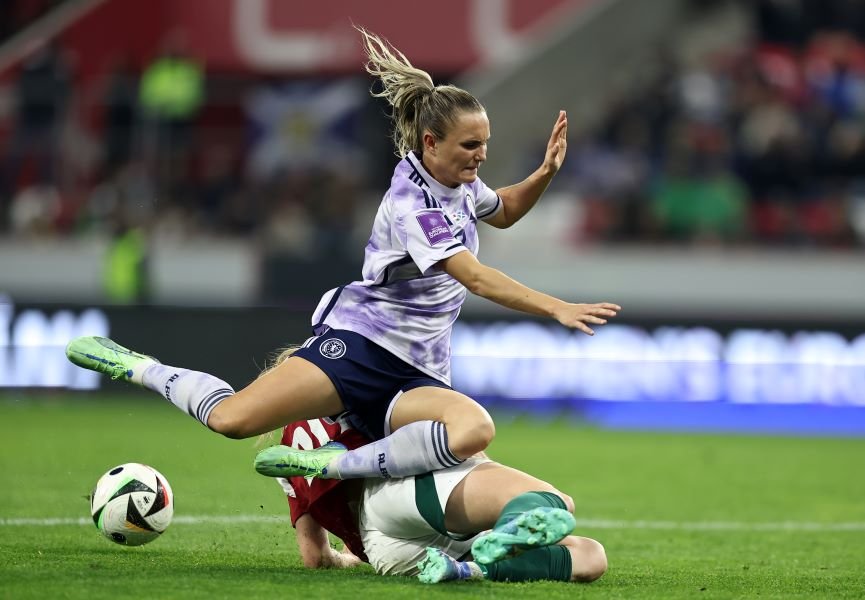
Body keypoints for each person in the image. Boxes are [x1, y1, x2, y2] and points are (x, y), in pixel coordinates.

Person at [65, 27, 620, 485]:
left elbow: (502, 211)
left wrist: (545, 174)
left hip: (421, 368)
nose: (482, 156)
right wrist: (556, 308)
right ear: (430, 143)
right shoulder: (413, 204)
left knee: (472, 433)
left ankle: (331, 465)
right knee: (234, 420)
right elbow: (473, 277)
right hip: (362, 347)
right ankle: (137, 366)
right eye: (470, 146)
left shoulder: (457, 182)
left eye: (484, 144)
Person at [269, 395, 606, 584]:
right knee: (557, 503)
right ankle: (499, 536)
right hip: (400, 488)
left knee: (592, 557)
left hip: (386, 548)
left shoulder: (286, 450)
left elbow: (315, 558)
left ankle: (466, 569)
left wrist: (348, 558)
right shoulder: (352, 384)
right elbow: (444, 438)